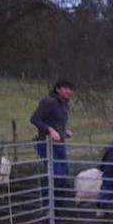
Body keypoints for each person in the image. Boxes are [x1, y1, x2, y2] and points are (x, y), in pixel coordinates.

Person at [30, 80, 73, 208]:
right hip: (45, 143)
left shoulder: (63, 104)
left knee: (63, 174)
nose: (69, 91)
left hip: (59, 143)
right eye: (65, 88)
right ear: (57, 89)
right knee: (56, 174)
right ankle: (48, 207)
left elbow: (55, 122)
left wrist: (64, 132)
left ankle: (58, 208)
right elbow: (34, 119)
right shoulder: (49, 102)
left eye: (70, 89)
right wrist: (50, 130)